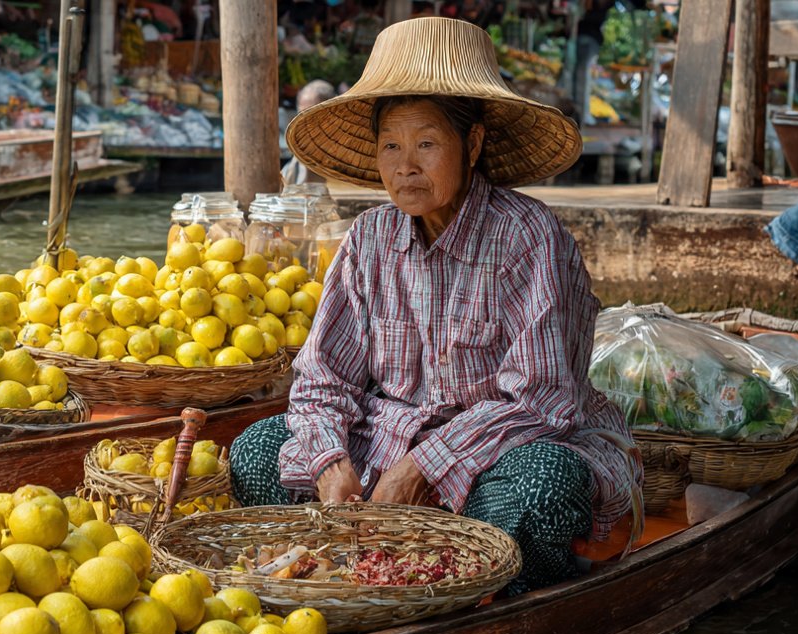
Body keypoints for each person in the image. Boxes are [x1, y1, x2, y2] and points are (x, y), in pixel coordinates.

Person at [236, 17, 641, 596]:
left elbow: (541, 397)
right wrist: (329, 461)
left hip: (503, 452)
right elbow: (323, 379)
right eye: (391, 147)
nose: (406, 166)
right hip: (387, 443)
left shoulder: (530, 237)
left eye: (426, 143)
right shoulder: (369, 238)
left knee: (539, 489)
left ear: (471, 144)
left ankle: (498, 592)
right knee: (256, 451)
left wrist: (426, 465)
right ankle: (364, 576)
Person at [280, 80, 336, 185]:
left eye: (312, 115)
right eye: (301, 114)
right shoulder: (299, 153)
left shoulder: (345, 149)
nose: (305, 122)